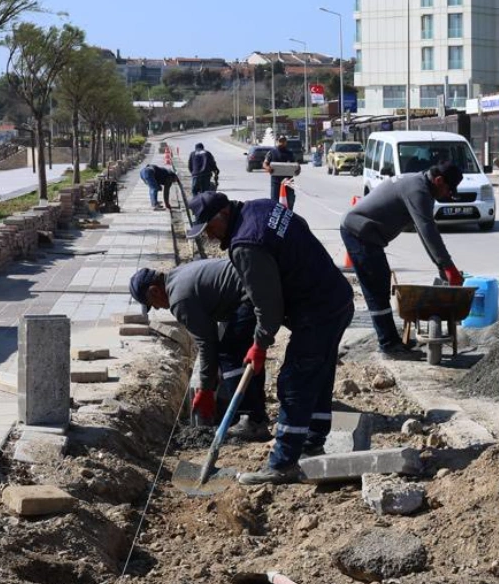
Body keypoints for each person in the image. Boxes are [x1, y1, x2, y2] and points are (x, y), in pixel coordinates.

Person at [185, 191, 354, 485]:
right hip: (335, 298)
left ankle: (283, 463)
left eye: (209, 228)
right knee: (319, 374)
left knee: (294, 382)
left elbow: (268, 305)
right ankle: (312, 442)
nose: (209, 237)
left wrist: (260, 344)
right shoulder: (261, 207)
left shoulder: (245, 244)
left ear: (222, 216)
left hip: (316, 310)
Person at [129, 261, 271, 442]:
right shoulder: (178, 276)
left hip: (250, 292)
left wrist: (205, 389)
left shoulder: (179, 299)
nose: (157, 308)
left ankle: (251, 420)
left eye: (152, 303)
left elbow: (207, 344)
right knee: (243, 351)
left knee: (230, 352)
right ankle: (257, 416)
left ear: (155, 290)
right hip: (254, 283)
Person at [339, 164, 466, 352]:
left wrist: (442, 267)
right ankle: (388, 345)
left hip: (364, 233)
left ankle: (390, 339)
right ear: (439, 181)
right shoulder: (418, 190)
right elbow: (428, 231)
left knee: (380, 283)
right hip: (358, 231)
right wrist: (448, 267)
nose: (448, 194)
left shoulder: (420, 184)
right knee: (376, 289)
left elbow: (424, 234)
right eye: (448, 189)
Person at [264, 136, 299, 210]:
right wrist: (268, 168)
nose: (281, 143)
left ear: (286, 142)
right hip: (276, 182)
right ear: (277, 141)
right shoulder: (272, 152)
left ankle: (289, 216)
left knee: (290, 201)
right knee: (274, 202)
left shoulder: (290, 153)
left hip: (288, 181)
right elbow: (265, 164)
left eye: (283, 141)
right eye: (280, 141)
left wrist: (297, 169)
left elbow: (296, 165)